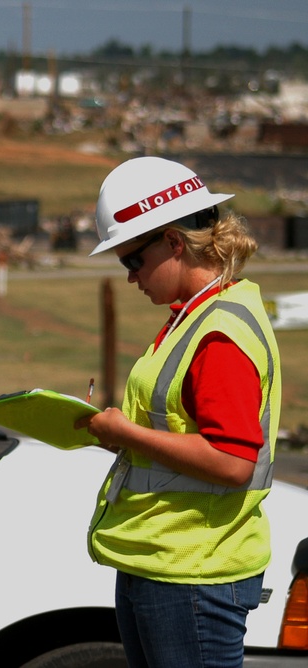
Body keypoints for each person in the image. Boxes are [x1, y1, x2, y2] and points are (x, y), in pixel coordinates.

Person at [75, 156, 281, 668]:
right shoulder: (192, 316)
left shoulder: (217, 334)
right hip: (166, 564)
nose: (129, 278)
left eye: (131, 262)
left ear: (172, 242)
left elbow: (232, 462)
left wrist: (126, 433)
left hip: (193, 574)